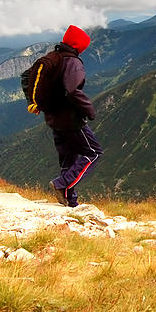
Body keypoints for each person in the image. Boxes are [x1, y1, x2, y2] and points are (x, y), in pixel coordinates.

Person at [43, 25, 103, 208]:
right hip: (70, 120)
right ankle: (62, 184)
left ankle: (70, 200)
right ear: (79, 45)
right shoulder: (73, 62)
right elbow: (72, 91)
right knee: (93, 153)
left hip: (53, 118)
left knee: (68, 158)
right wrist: (89, 109)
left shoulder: (54, 59)